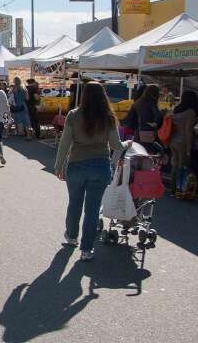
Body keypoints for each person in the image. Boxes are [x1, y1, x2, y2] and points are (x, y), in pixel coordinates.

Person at [54, 82, 130, 262]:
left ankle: (71, 237)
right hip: (100, 166)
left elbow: (65, 143)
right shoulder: (108, 117)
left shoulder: (73, 115)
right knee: (93, 209)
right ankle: (86, 250)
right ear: (103, 96)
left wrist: (58, 166)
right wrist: (128, 144)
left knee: (74, 203)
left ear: (84, 96)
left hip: (76, 164)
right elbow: (115, 145)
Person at [169, 90, 198, 191]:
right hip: (183, 142)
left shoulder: (177, 109)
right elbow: (188, 131)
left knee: (175, 164)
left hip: (173, 139)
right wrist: (189, 147)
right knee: (182, 166)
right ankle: (180, 188)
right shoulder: (190, 112)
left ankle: (173, 187)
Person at [125, 84, 162, 151]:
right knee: (149, 153)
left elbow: (130, 120)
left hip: (138, 134)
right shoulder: (151, 103)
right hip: (149, 134)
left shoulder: (137, 103)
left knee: (140, 152)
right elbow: (157, 118)